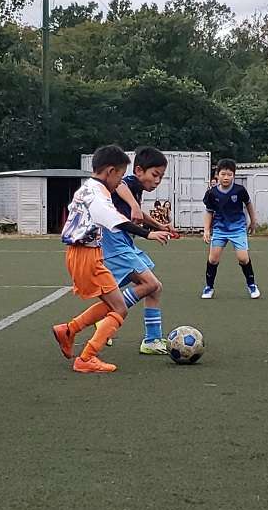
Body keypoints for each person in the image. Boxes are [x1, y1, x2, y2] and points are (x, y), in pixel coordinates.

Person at [52, 145, 171, 373]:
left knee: (115, 304)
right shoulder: (98, 194)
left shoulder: (88, 188)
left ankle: (68, 330)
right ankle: (86, 357)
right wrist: (148, 233)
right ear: (110, 172)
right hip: (87, 255)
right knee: (120, 308)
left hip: (85, 252)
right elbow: (115, 219)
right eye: (119, 176)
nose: (120, 182)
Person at [101, 146, 179, 355]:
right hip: (114, 243)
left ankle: (152, 340)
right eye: (155, 175)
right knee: (151, 284)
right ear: (138, 171)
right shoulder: (128, 183)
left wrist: (159, 226)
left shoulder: (136, 189)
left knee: (155, 288)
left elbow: (139, 214)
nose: (157, 181)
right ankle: (107, 317)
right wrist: (134, 206)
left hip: (124, 243)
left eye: (161, 177)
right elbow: (120, 186)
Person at [201, 158, 260, 299]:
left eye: (229, 174)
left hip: (238, 229)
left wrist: (253, 221)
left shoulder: (240, 190)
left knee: (243, 258)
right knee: (213, 259)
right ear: (217, 175)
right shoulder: (212, 193)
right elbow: (209, 211)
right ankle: (209, 287)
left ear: (234, 175)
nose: (226, 177)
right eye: (223, 174)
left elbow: (249, 204)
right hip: (220, 229)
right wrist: (206, 230)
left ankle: (252, 285)